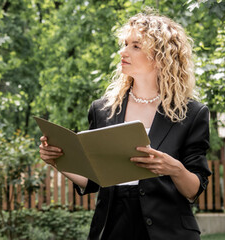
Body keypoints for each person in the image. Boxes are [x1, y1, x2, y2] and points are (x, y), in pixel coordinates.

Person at [38, 12, 211, 240]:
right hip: (112, 228)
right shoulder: (102, 110)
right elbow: (93, 179)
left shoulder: (191, 113)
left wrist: (175, 169)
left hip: (169, 231)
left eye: (136, 46)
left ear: (161, 57)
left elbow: (194, 190)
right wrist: (57, 161)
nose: (123, 52)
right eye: (125, 44)